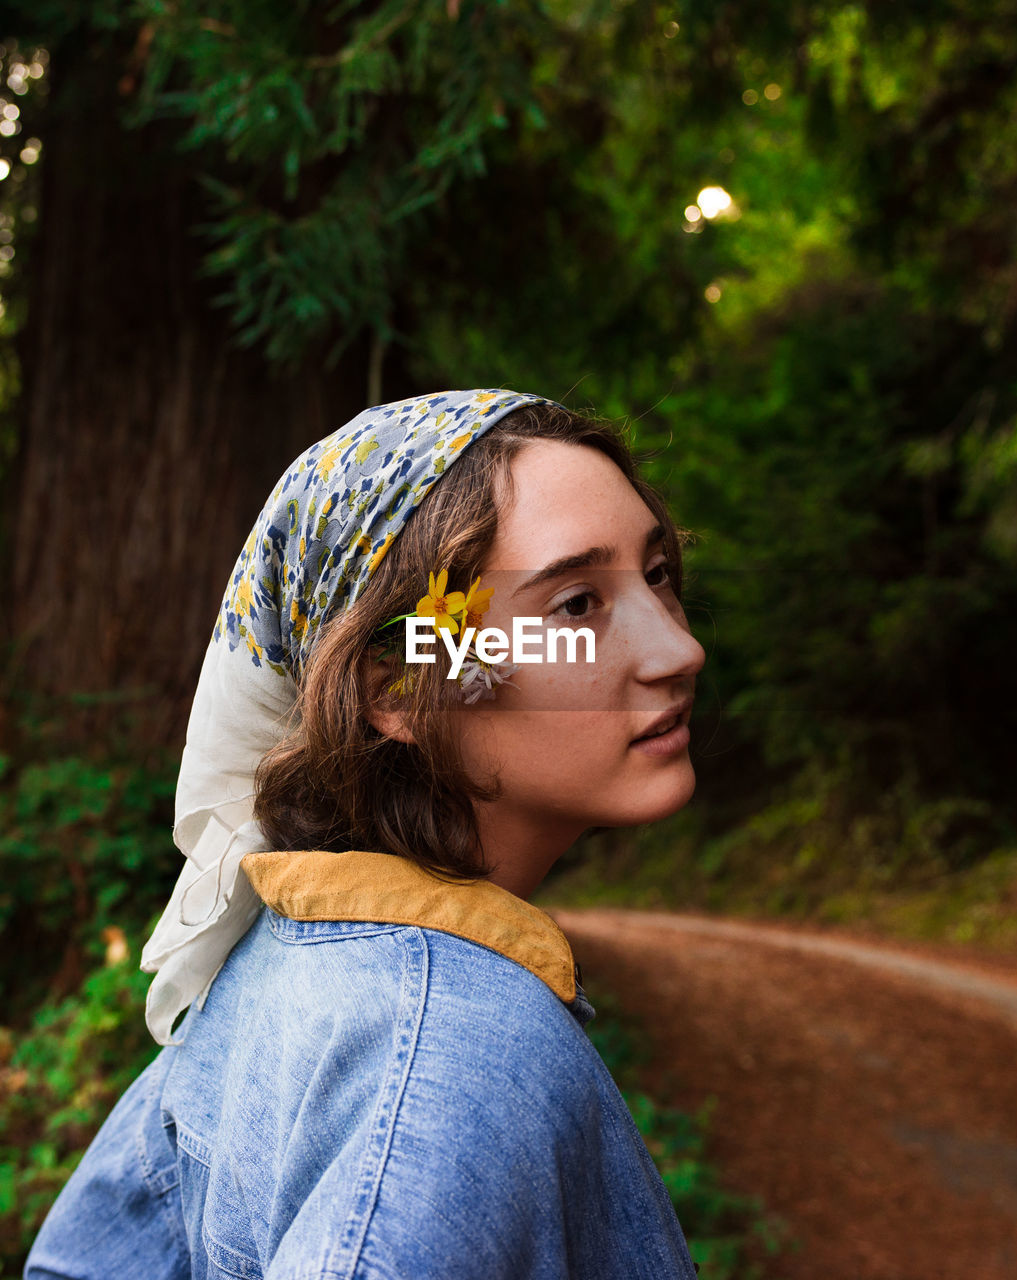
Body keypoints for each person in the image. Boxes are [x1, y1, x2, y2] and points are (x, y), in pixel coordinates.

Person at [25, 389, 706, 1279]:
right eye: (576, 605)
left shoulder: (281, 958)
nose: (676, 650)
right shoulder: (457, 1062)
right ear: (396, 691)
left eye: (655, 575)